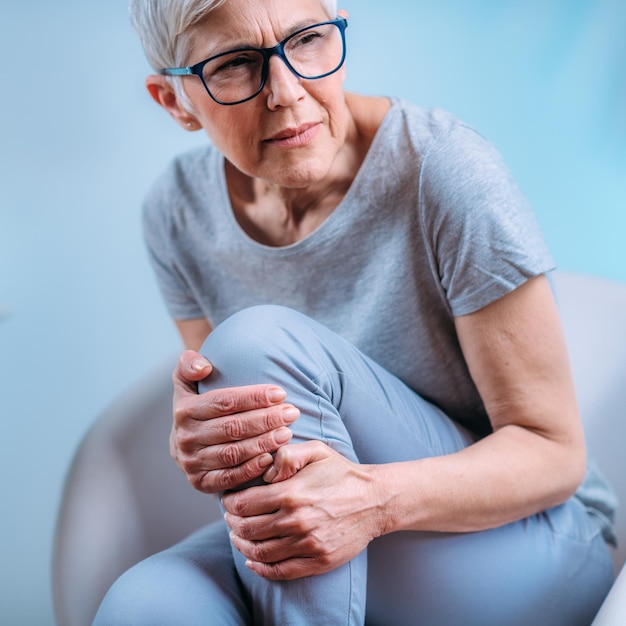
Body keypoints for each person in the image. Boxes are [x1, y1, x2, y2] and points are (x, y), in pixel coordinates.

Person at [94, 0, 617, 624]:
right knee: (148, 604)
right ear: (174, 101)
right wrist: (200, 445)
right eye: (235, 64)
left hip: (532, 544)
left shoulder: (444, 172)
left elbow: (554, 454)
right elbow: (243, 437)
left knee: (255, 346)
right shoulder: (178, 213)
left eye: (308, 39)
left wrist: (371, 503)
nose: (286, 92)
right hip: (344, 542)